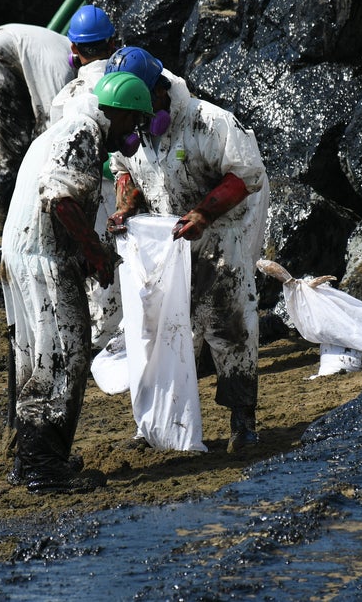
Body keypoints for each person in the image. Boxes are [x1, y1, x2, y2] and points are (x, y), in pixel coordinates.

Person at [105, 47, 270, 453]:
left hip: (219, 237)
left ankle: (242, 422)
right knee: (160, 333)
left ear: (157, 94)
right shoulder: (138, 130)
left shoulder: (208, 122)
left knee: (229, 326)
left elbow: (246, 175)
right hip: (167, 243)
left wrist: (204, 214)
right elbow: (125, 171)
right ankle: (158, 422)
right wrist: (126, 205)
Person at [1, 71, 153, 493]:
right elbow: (61, 200)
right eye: (133, 122)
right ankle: (43, 471)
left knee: (35, 357)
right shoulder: (84, 133)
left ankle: (31, 458)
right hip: (44, 258)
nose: (133, 133)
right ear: (118, 114)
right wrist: (96, 254)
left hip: (22, 254)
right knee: (64, 359)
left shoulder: (62, 128)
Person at [0, 24, 77, 216]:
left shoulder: (65, 50)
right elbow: (52, 122)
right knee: (11, 143)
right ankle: (15, 216)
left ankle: (14, 213)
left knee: (2, 140)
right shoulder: (62, 68)